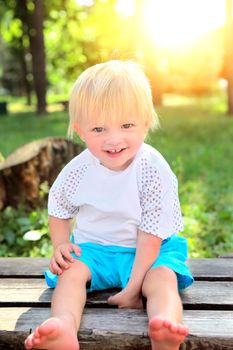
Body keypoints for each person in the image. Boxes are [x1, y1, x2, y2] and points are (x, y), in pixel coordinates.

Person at [24, 60, 193, 350]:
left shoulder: (152, 168)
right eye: (99, 129)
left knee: (162, 280)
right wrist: (61, 245)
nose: (113, 139)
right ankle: (63, 326)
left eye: (126, 125)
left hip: (148, 251)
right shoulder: (78, 170)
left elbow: (152, 233)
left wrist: (134, 288)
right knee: (70, 275)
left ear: (145, 122)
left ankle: (165, 328)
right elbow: (59, 207)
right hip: (95, 249)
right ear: (80, 130)